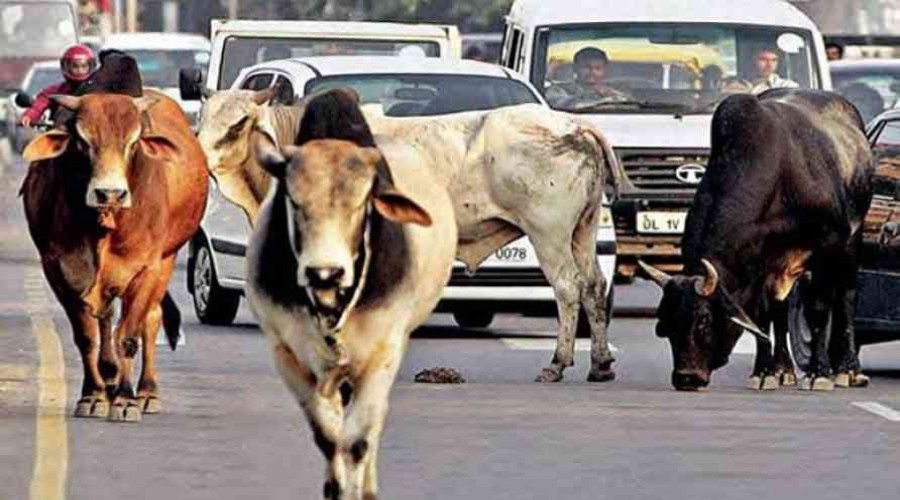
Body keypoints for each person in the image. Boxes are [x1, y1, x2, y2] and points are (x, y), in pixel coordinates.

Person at [18, 44, 97, 127]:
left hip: (92, 132)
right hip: (60, 131)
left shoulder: (98, 91)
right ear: (67, 67)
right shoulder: (55, 91)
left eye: (84, 66)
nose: (80, 70)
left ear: (90, 67)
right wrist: (28, 116)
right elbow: (38, 106)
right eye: (75, 66)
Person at [546, 47, 629, 106]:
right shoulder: (559, 90)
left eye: (598, 68)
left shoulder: (615, 94)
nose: (593, 72)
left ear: (605, 70)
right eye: (586, 67)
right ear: (575, 68)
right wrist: (590, 94)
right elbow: (557, 106)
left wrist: (610, 96)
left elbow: (627, 106)